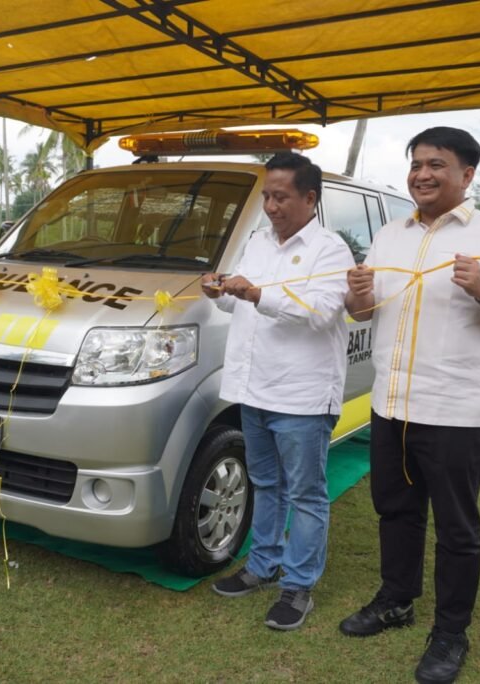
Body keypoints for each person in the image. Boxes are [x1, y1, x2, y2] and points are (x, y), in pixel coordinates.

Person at [342, 127, 480, 684]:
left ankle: (450, 632)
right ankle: (396, 601)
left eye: (437, 164)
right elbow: (364, 313)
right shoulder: (389, 236)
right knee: (396, 511)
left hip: (454, 410)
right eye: (416, 164)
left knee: (457, 528)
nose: (422, 174)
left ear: (467, 175)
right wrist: (358, 298)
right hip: (391, 404)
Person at [202, 152, 354, 631]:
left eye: (280, 196)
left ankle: (298, 585)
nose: (270, 205)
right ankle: (262, 566)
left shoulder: (330, 250)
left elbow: (321, 312)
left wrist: (253, 294)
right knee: (266, 484)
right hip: (255, 387)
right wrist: (223, 293)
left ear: (309, 198)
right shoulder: (257, 243)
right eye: (266, 195)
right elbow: (240, 310)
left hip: (302, 395)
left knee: (306, 493)